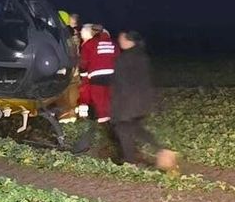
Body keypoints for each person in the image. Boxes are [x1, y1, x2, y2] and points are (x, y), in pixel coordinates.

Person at [110, 30, 176, 169]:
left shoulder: (124, 59)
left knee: (122, 129)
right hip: (142, 100)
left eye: (122, 38)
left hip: (128, 101)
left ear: (129, 41)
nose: (119, 40)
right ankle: (162, 150)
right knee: (136, 128)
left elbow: (121, 83)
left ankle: (129, 162)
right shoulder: (142, 56)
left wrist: (117, 105)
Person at [72, 23, 118, 153]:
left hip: (96, 77)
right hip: (112, 76)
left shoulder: (89, 44)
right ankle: (110, 123)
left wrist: (83, 74)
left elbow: (84, 63)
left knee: (99, 107)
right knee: (107, 102)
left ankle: (106, 131)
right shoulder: (113, 44)